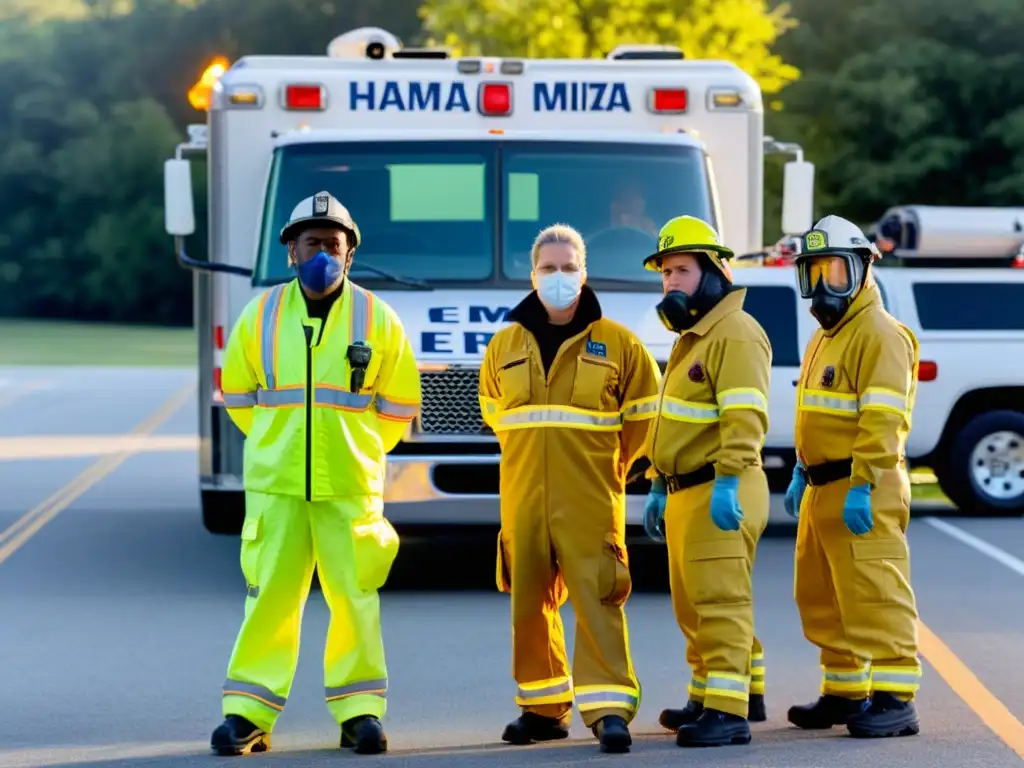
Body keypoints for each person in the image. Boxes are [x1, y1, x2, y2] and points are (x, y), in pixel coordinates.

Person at [210, 191, 421, 756]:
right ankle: (247, 714)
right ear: (291, 252)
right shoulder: (261, 316)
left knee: (355, 597)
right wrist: (281, 446)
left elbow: (400, 407)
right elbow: (237, 396)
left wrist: (353, 450)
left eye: (333, 243)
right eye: (312, 243)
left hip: (350, 487)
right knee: (270, 597)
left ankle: (360, 714)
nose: (322, 252)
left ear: (350, 253)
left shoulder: (378, 319)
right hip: (277, 488)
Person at [478, 223, 662, 754]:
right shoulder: (504, 345)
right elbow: (497, 416)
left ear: (584, 273)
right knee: (529, 601)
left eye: (568, 267)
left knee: (598, 595)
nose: (559, 276)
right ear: (532, 274)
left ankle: (608, 710)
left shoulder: (620, 344)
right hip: (523, 496)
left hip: (589, 497)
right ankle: (542, 708)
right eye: (549, 268)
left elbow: (642, 420)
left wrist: (607, 469)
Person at [784, 215, 922, 739]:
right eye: (813, 273)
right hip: (823, 486)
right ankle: (845, 691)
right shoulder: (830, 335)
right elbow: (818, 413)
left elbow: (885, 420)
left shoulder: (880, 334)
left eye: (834, 272)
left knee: (875, 591)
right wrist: (801, 469)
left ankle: (894, 699)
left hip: (864, 484)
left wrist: (864, 483)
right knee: (823, 596)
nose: (822, 287)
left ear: (863, 269)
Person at [640, 215, 772, 748]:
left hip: (722, 485)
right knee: (692, 603)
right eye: (666, 272)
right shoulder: (693, 336)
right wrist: (654, 480)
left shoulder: (735, 333)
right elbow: (673, 420)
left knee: (720, 602)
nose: (671, 282)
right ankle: (714, 692)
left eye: (682, 271)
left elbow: (746, 420)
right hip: (684, 491)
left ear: (715, 271)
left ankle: (727, 711)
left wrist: (727, 480)